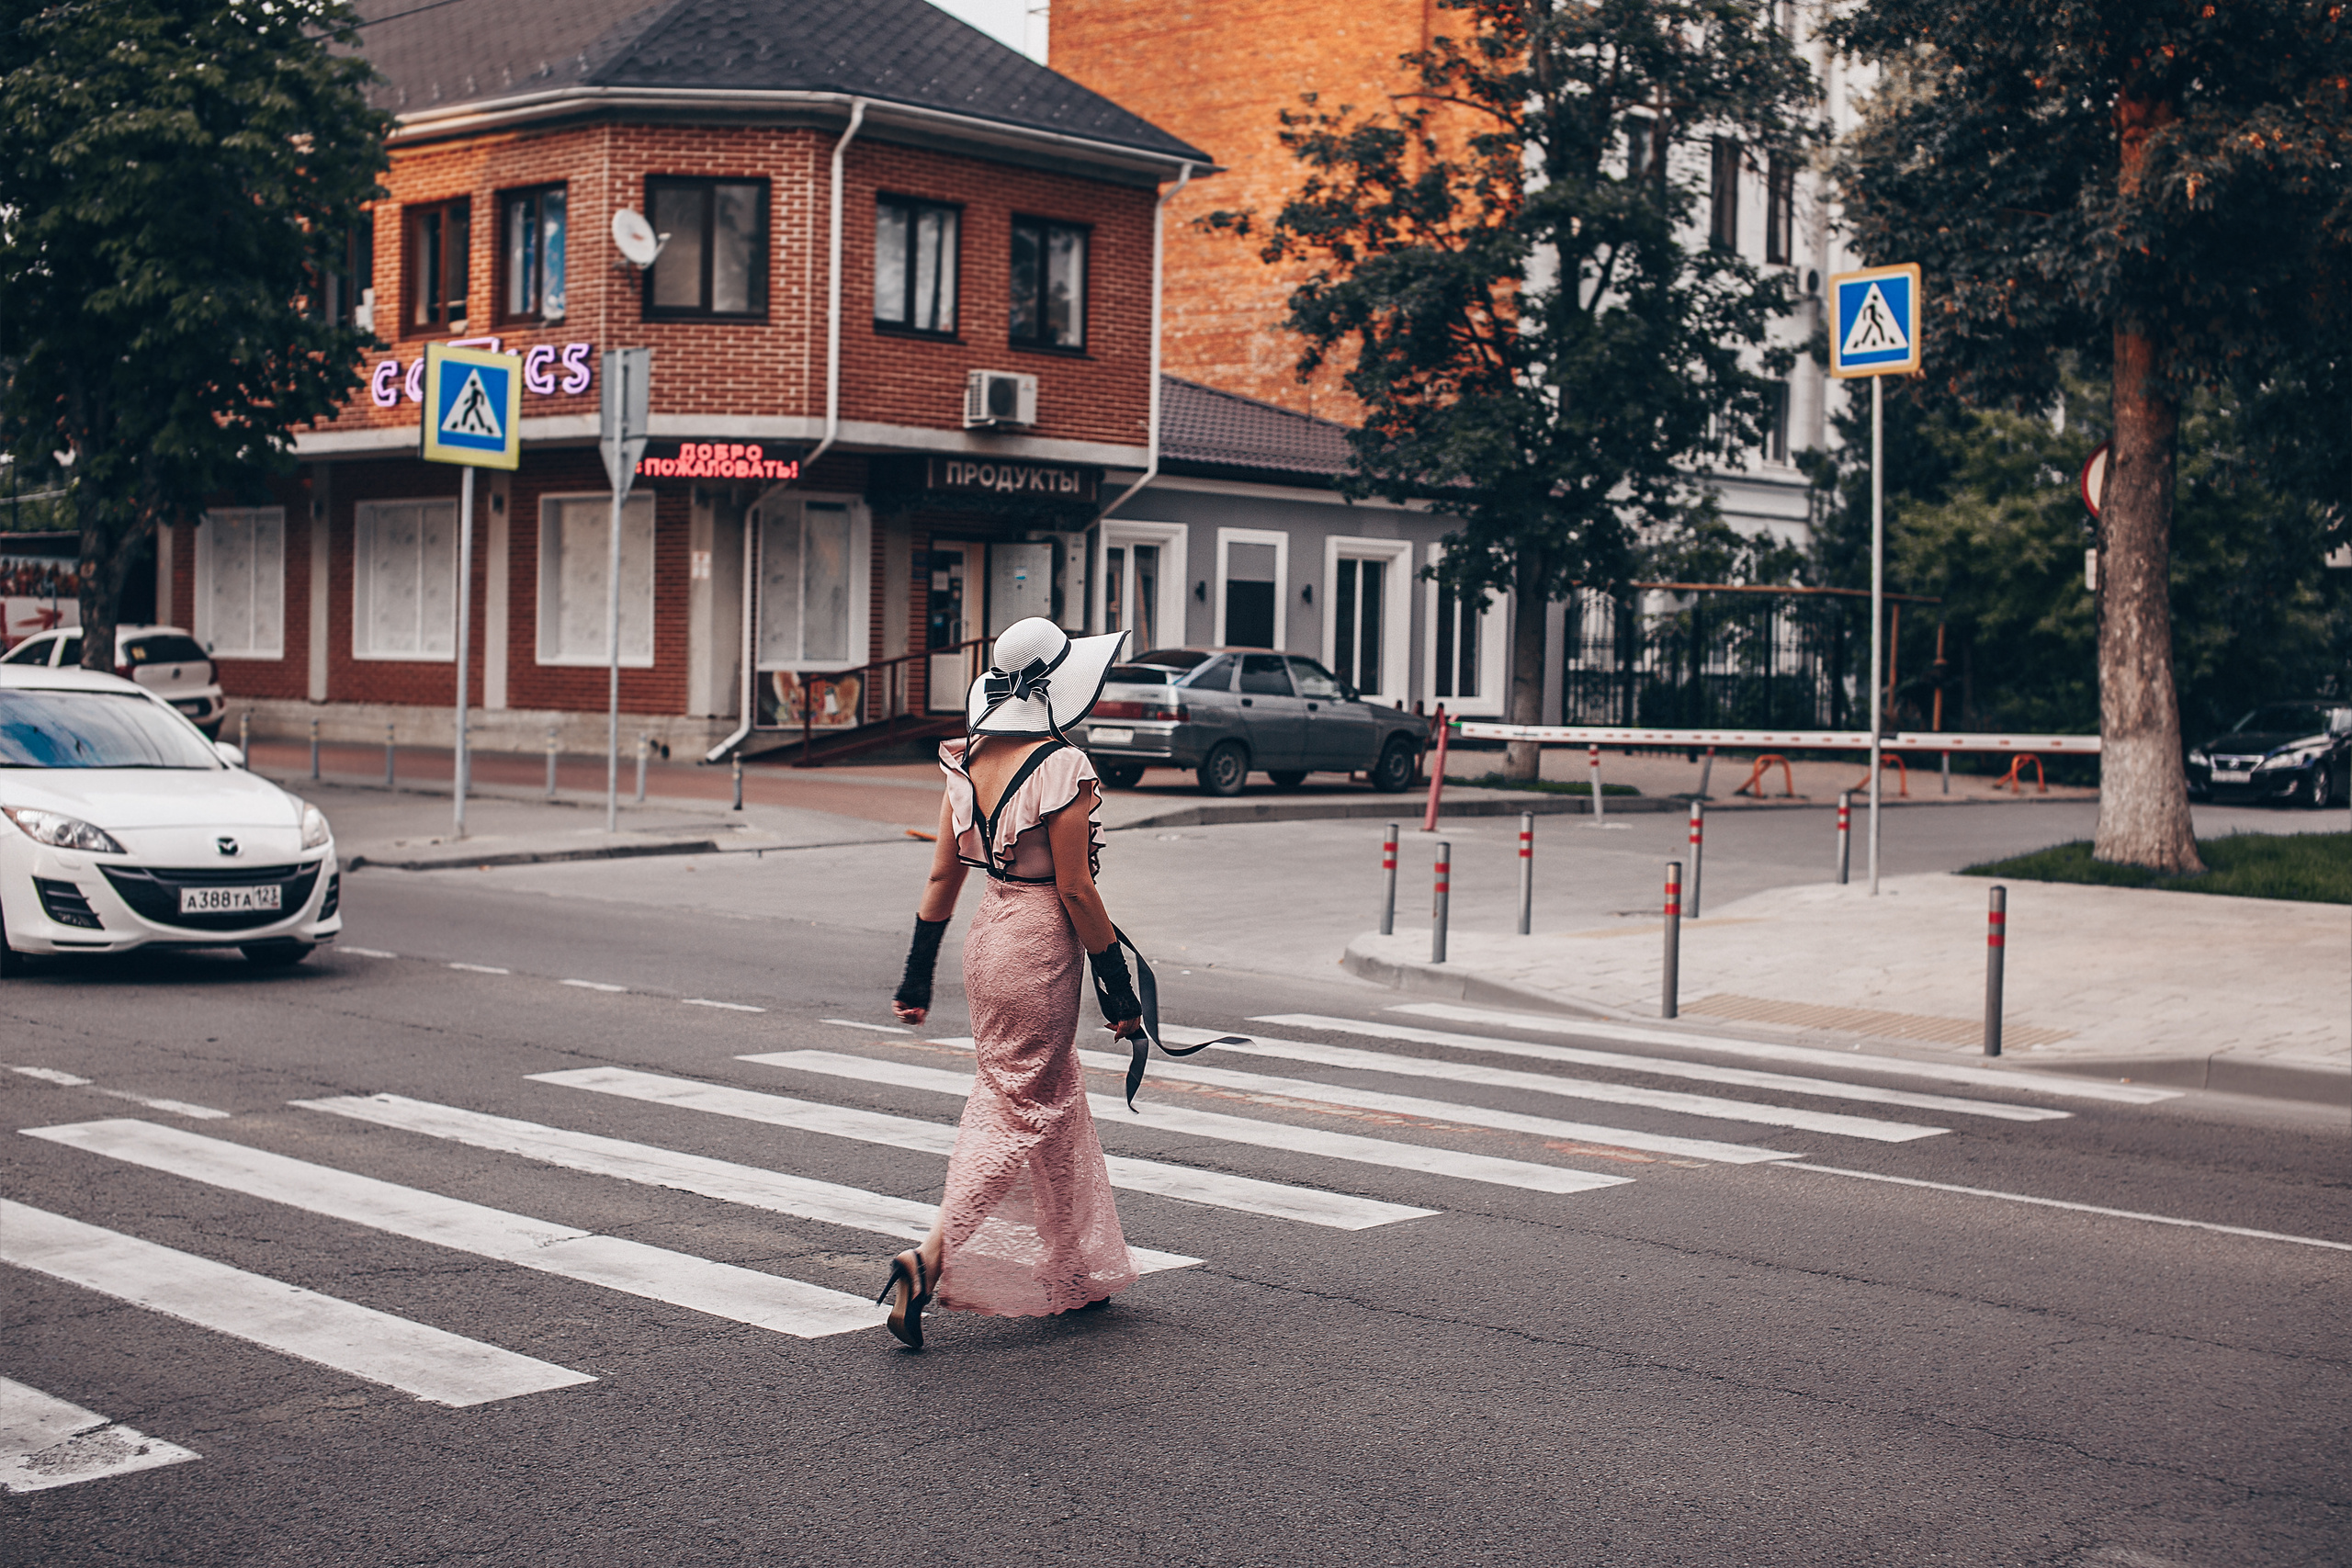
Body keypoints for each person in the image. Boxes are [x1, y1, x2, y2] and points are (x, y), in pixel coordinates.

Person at [880, 617, 1147, 1349]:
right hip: (1038, 947)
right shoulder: (1062, 765)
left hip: (987, 938)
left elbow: (941, 875)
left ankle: (1075, 1269)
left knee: (1047, 1091)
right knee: (1021, 1101)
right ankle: (926, 1259)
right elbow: (1078, 891)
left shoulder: (969, 756)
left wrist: (915, 974)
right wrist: (1120, 997)